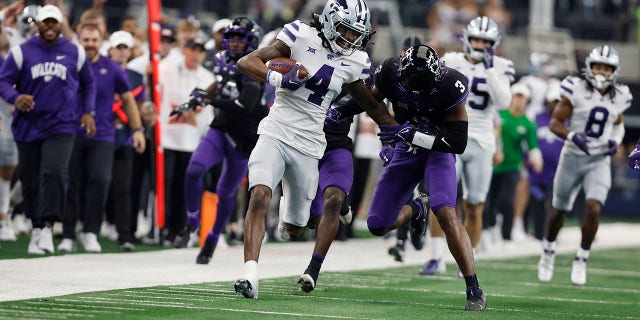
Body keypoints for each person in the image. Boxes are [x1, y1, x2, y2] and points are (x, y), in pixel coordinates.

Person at [233, 0, 397, 299]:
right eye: (346, 30)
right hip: (276, 130)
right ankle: (249, 274)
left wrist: (395, 130)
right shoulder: (297, 35)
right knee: (259, 194)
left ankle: (288, 212)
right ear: (331, 21)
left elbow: (369, 104)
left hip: (310, 145)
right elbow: (246, 62)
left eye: (355, 33)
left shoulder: (354, 60)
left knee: (296, 227)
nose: (349, 38)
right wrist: (280, 77)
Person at [329, 44, 485, 310]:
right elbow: (369, 100)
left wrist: (413, 135)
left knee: (446, 212)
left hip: (437, 150)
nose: (415, 90)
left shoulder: (451, 84)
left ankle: (473, 287)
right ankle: (417, 210)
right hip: (406, 148)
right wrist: (338, 110)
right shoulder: (390, 71)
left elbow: (457, 142)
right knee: (377, 224)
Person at [0, 5, 96, 254]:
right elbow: (3, 80)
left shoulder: (75, 51)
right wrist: (15, 97)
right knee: (30, 180)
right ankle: (36, 227)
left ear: (61, 23)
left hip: (62, 124)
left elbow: (89, 83)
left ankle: (47, 226)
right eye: (46, 22)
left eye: (55, 22)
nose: (50, 27)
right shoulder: (22, 51)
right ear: (38, 24)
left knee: (54, 172)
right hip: (29, 124)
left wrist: (87, 112)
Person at [170, 18, 268, 260]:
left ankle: (212, 237)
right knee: (194, 170)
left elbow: (244, 105)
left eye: (239, 38)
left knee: (225, 193)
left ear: (252, 42)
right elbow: (223, 82)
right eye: (231, 37)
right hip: (222, 127)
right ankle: (192, 221)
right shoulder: (225, 60)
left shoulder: (256, 66)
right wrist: (201, 96)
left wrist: (209, 100)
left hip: (243, 138)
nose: (234, 42)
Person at [423, 15, 513, 275]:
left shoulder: (501, 66)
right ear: (467, 39)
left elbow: (504, 103)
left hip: (483, 142)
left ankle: (467, 262)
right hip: (452, 137)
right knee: (443, 201)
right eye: (476, 39)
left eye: (485, 41)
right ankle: (436, 257)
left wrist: (490, 69)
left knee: (475, 205)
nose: (480, 44)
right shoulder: (451, 61)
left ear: (493, 43)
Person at [537, 45, 632, 286]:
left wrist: (615, 140)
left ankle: (581, 258)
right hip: (572, 156)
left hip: (598, 159)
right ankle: (548, 251)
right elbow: (555, 123)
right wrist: (572, 136)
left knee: (594, 208)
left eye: (607, 67)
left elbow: (619, 123)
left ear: (614, 70)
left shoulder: (620, 94)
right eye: (597, 66)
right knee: (559, 210)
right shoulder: (574, 89)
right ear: (589, 67)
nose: (601, 71)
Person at [483, 83, 542, 246]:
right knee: (488, 200)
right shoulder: (498, 115)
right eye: (516, 96)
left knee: (507, 201)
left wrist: (536, 158)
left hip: (511, 167)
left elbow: (533, 146)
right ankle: (488, 229)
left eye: (522, 98)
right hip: (491, 164)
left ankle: (506, 236)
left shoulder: (527, 123)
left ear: (527, 101)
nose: (518, 100)